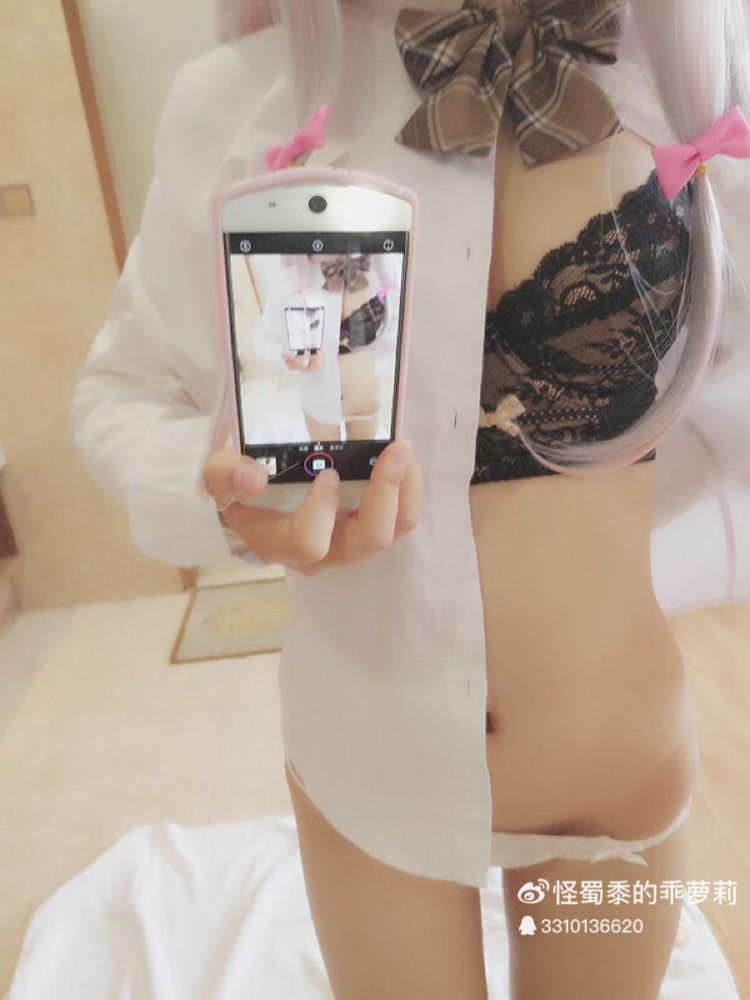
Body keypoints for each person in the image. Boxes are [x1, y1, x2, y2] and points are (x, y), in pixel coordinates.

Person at [70, 0, 750, 996]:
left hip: (618, 768)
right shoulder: (246, 98)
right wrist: (221, 492)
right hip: (374, 769)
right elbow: (125, 391)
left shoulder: (707, 77)